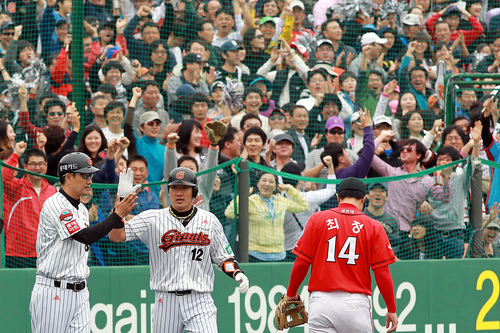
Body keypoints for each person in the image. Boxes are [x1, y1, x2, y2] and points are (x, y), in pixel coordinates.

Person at [109, 167, 249, 333]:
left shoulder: (209, 220)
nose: (179, 193)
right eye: (175, 187)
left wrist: (237, 273)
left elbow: (223, 257)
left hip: (200, 299)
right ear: (169, 191)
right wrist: (119, 208)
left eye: (184, 187)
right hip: (165, 299)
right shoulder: (152, 218)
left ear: (194, 191)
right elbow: (116, 236)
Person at [29, 152, 138, 333]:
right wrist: (116, 214)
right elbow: (84, 236)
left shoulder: (81, 208)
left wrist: (120, 205)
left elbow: (101, 232)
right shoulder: (56, 203)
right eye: (84, 175)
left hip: (80, 292)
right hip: (53, 291)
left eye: (90, 175)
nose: (89, 180)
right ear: (69, 177)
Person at [285, 177, 398, 333]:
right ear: (364, 199)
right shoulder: (374, 226)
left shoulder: (317, 219)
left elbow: (302, 262)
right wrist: (391, 308)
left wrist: (291, 293)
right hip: (355, 304)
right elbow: (382, 273)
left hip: (321, 302)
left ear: (338, 197)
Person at [225, 171, 309, 262]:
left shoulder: (281, 200)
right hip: (255, 254)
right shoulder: (251, 201)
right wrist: (243, 196)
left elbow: (304, 206)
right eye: (264, 180)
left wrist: (289, 189)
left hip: (279, 254)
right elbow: (229, 213)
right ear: (257, 184)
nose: (267, 184)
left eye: (271, 182)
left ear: (276, 186)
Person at [3, 143, 57, 268]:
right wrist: (16, 154)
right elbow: (4, 177)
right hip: (17, 254)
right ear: (25, 167)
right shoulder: (16, 187)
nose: (37, 167)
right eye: (33, 164)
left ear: (46, 166)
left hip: (46, 253)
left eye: (41, 164)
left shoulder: (52, 191)